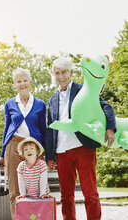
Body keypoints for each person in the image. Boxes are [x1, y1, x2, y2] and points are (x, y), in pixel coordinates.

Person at [45, 57, 116, 220]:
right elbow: (50, 130)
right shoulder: (51, 100)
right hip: (62, 152)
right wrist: (50, 156)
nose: (61, 76)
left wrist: (110, 128)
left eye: (64, 72)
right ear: (54, 75)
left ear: (71, 72)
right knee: (65, 196)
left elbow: (106, 106)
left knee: (90, 193)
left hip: (83, 147)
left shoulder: (82, 90)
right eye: (57, 73)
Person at [0, 67, 46, 220]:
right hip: (14, 147)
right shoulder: (9, 104)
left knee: (36, 190)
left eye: (25, 80)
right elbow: (7, 129)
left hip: (34, 148)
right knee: (15, 191)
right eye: (19, 81)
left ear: (30, 82)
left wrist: (47, 154)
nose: (22, 84)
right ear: (14, 84)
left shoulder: (40, 104)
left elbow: (43, 130)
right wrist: (2, 154)